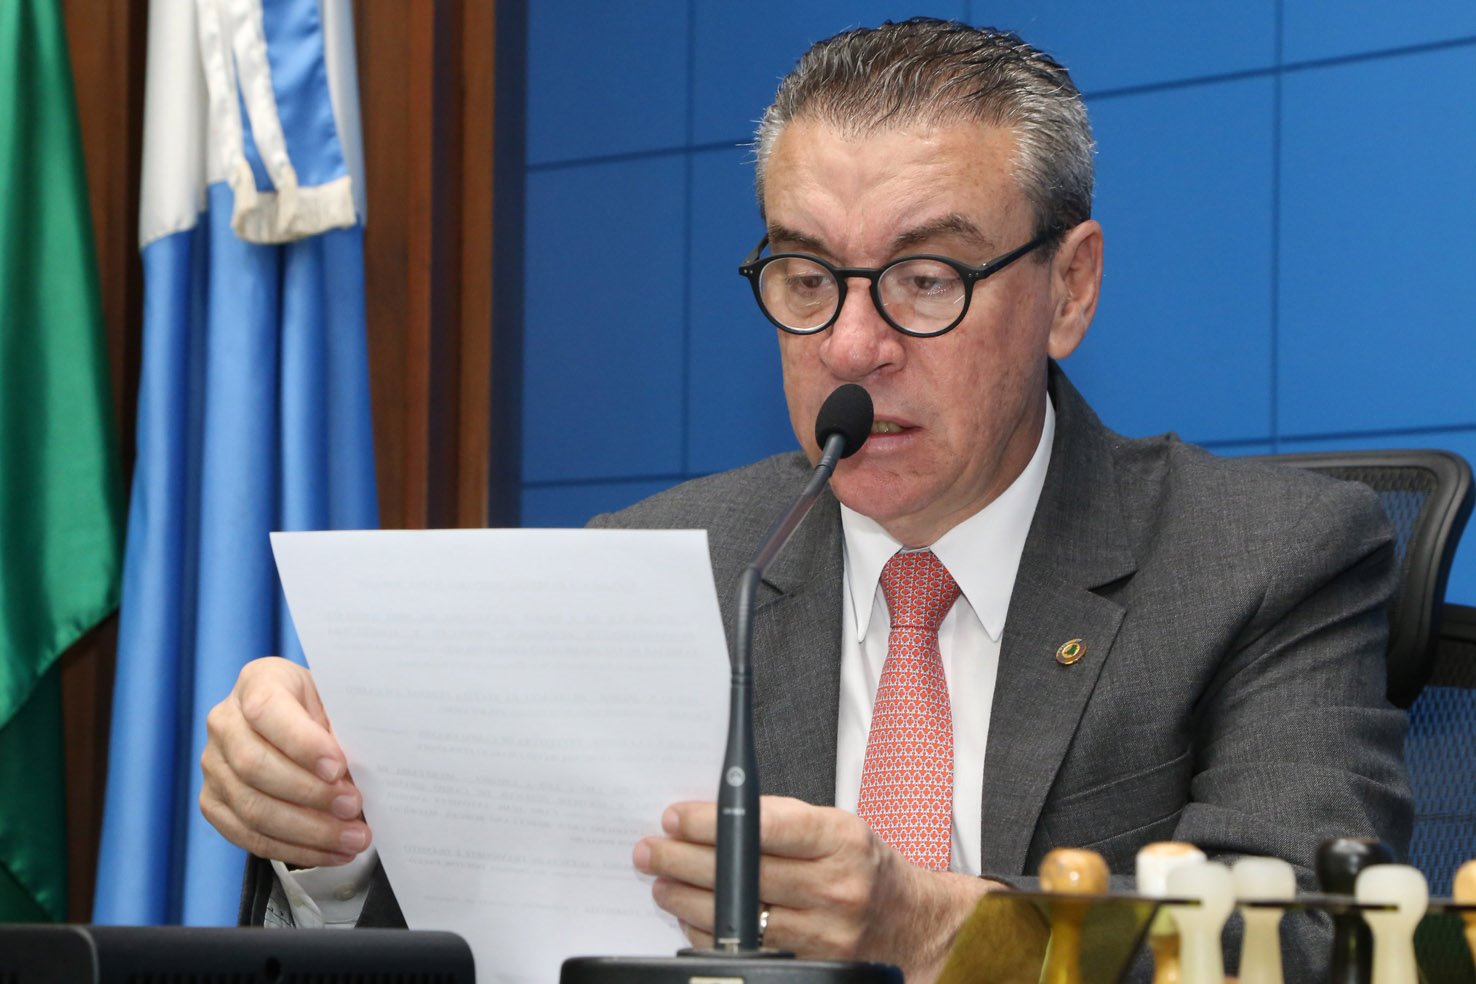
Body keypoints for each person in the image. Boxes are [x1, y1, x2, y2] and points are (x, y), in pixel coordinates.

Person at [200, 18, 1411, 981]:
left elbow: (1309, 946)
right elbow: (482, 941)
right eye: (807, 275)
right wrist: (332, 836)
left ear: (1070, 288)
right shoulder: (662, 563)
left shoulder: (1263, 558)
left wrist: (938, 930)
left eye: (925, 277)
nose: (852, 346)